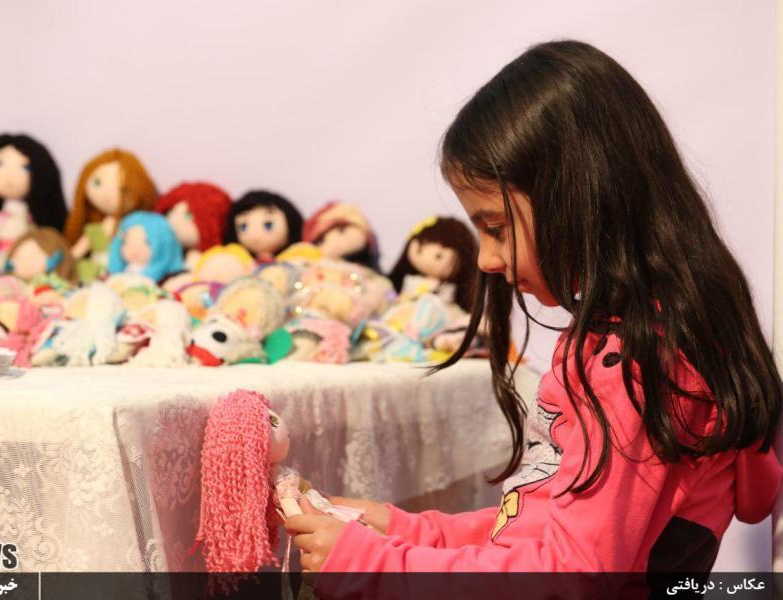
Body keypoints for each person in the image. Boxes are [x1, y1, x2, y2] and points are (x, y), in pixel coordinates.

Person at [285, 40, 782, 598]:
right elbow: (538, 526)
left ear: (583, 198)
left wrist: (376, 566)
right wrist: (403, 531)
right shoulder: (636, 343)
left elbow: (570, 576)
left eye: (496, 228)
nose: (485, 260)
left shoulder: (636, 364)